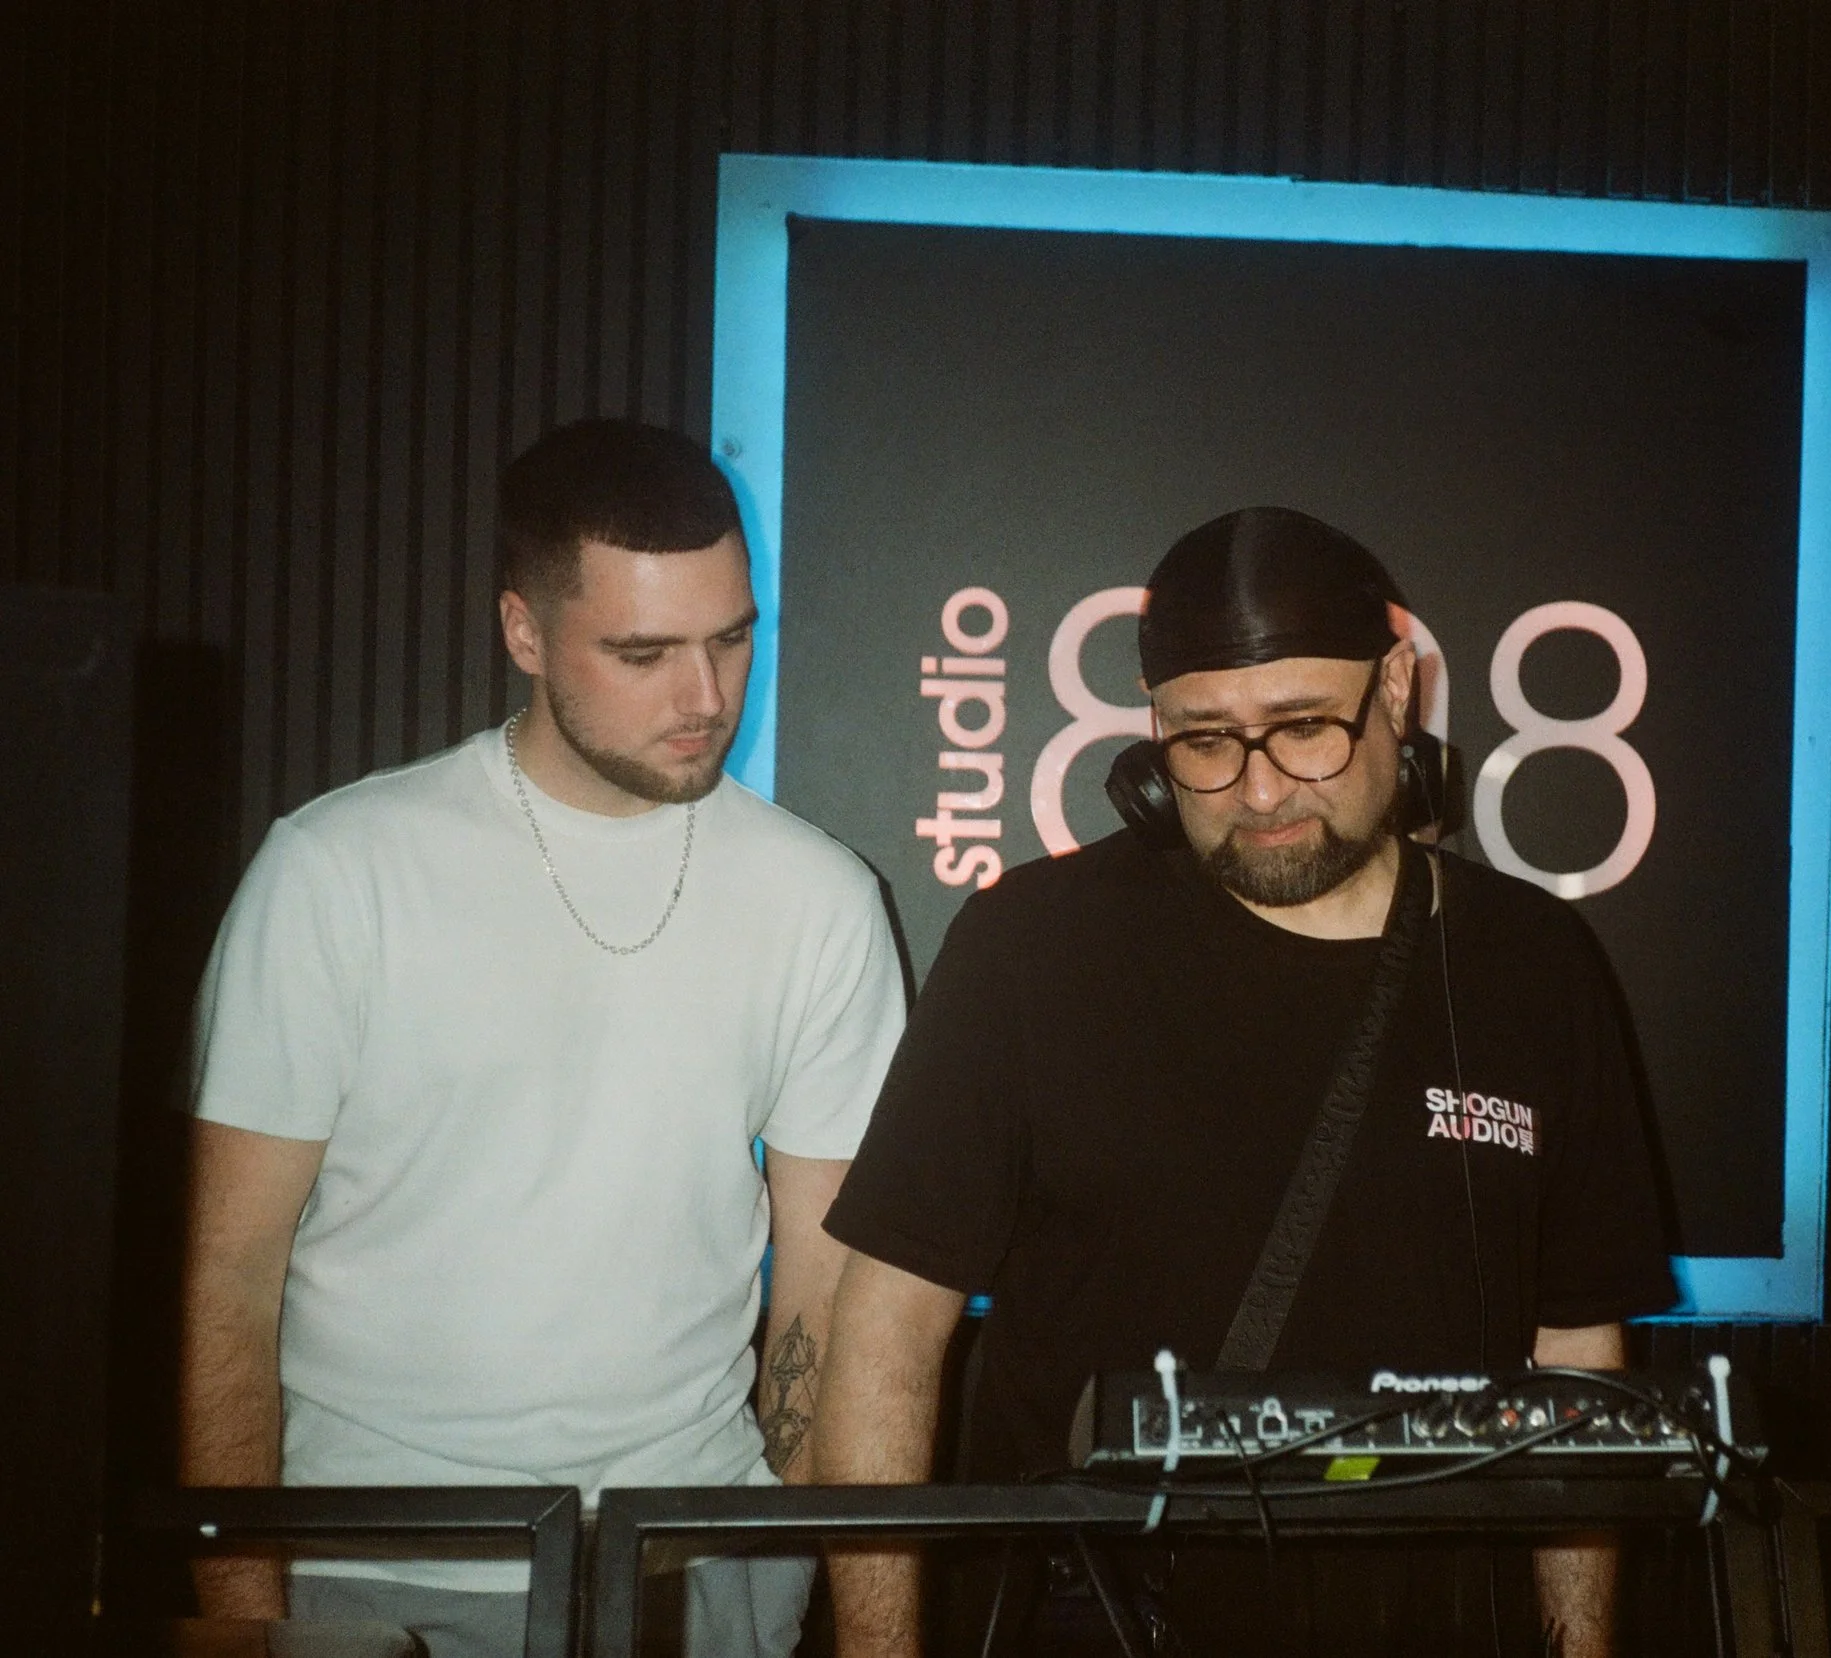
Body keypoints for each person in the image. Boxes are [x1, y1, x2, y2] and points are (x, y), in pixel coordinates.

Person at [813, 506, 1675, 1657]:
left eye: (1306, 728)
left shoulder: (1534, 962)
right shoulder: (1032, 945)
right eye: (1205, 740)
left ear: (1398, 689)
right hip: (1103, 1625)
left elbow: (1575, 1353)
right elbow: (886, 1333)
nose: (1259, 790)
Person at [181, 419, 908, 1658]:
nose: (706, 696)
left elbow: (830, 1294)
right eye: (644, 652)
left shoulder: (821, 898)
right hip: (374, 1570)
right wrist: (245, 1625)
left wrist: (779, 1563)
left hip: (696, 1566)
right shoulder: (337, 873)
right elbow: (225, 1279)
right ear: (523, 632)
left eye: (732, 638)